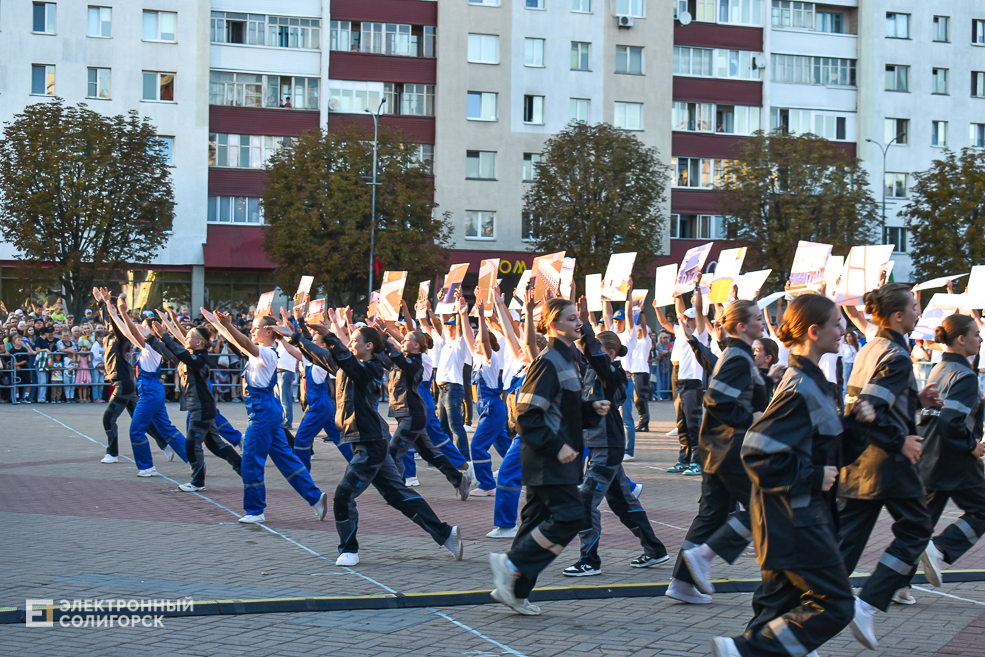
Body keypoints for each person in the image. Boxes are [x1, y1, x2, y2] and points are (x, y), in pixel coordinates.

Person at [712, 294, 858, 657]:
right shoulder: (799, 387)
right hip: (794, 520)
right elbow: (757, 452)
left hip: (791, 518)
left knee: (777, 613)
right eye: (836, 323)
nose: (843, 330)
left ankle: (746, 649)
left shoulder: (814, 382)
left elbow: (828, 450)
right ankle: (743, 651)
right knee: (836, 604)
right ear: (814, 331)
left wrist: (859, 424)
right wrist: (813, 476)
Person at [296, 317, 463, 567]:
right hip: (369, 441)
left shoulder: (371, 369)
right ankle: (446, 534)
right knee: (398, 494)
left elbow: (345, 360)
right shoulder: (346, 367)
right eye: (350, 341)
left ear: (369, 346)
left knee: (343, 496)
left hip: (371, 444)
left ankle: (349, 550)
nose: (350, 344)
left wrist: (330, 336)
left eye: (355, 340)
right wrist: (296, 336)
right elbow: (321, 354)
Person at [489, 298, 610, 616]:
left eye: (578, 317)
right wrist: (557, 447)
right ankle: (511, 564)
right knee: (571, 516)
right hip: (548, 460)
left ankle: (515, 592)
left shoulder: (569, 358)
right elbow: (527, 414)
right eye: (571, 319)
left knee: (534, 525)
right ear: (554, 325)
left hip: (558, 459)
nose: (578, 323)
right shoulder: (547, 361)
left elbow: (562, 411)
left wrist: (590, 410)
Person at [839, 283, 941, 650]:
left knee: (846, 546)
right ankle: (867, 604)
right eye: (914, 307)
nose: (918, 312)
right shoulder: (896, 355)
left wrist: (915, 398)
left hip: (859, 460)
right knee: (917, 530)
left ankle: (802, 615)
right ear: (898, 316)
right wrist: (900, 441)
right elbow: (870, 409)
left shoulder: (871, 347)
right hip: (888, 462)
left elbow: (870, 403)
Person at [670, 299, 770, 604]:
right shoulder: (739, 357)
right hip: (730, 447)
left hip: (717, 446)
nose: (762, 323)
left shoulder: (737, 353)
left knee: (712, 514)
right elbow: (716, 400)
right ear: (742, 326)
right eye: (757, 318)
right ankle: (705, 555)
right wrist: (751, 417)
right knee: (763, 506)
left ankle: (682, 583)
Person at [563, 299, 668, 577]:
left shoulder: (614, 374)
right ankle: (655, 550)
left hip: (608, 446)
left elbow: (592, 354)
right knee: (623, 503)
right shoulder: (592, 369)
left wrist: (585, 325)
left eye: (596, 350)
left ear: (609, 353)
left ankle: (589, 561)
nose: (588, 355)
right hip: (599, 446)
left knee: (585, 502)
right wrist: (570, 320)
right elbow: (571, 350)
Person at [204, 311, 327, 524]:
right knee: (285, 458)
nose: (252, 331)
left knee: (251, 460)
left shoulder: (268, 352)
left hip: (263, 412)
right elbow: (237, 340)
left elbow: (243, 341)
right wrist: (217, 323)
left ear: (268, 331)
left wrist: (228, 325)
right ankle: (315, 497)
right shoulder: (261, 350)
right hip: (266, 410)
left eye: (256, 328)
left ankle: (255, 510)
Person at [910, 314, 985, 601]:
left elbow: (929, 414)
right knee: (982, 510)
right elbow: (950, 421)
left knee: (918, 529)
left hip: (928, 455)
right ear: (961, 339)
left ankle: (894, 585)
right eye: (976, 334)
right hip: (955, 459)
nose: (980, 338)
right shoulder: (964, 376)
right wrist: (971, 445)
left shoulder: (939, 368)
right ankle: (940, 547)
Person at [374, 317, 471, 499]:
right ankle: (459, 480)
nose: (402, 341)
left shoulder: (418, 361)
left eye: (406, 340)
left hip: (413, 415)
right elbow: (385, 357)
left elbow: (397, 356)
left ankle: (397, 491)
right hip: (406, 414)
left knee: (393, 452)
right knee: (430, 453)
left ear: (416, 345)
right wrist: (378, 338)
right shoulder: (402, 360)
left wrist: (385, 338)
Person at [151, 315, 242, 492]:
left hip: (203, 409)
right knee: (215, 445)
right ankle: (245, 470)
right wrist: (150, 337)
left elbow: (179, 352)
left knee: (192, 444)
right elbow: (168, 351)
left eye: (188, 337)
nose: (185, 338)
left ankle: (198, 482)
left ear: (199, 342)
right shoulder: (188, 356)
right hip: (199, 408)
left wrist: (165, 336)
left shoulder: (200, 359)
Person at [104, 294, 189, 476]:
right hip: (152, 390)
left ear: (153, 330)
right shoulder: (152, 345)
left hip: (150, 391)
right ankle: (194, 460)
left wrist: (122, 313)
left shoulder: (151, 345)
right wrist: (114, 313)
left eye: (143, 326)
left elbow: (132, 333)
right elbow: (128, 332)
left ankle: (147, 467)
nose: (139, 328)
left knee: (136, 431)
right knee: (166, 428)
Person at [656, 293, 707, 475]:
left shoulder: (700, 334)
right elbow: (674, 315)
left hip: (693, 383)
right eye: (685, 318)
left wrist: (698, 290)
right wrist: (677, 295)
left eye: (690, 319)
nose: (686, 321)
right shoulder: (681, 332)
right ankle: (683, 460)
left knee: (693, 425)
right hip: (681, 383)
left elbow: (699, 310)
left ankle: (697, 462)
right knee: (682, 425)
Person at [468, 294, 511, 496]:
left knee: (477, 446)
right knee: (506, 447)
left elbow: (484, 339)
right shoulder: (477, 359)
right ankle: (526, 472)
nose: (475, 344)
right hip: (488, 409)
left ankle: (487, 485)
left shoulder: (490, 359)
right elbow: (469, 337)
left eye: (479, 342)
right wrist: (463, 314)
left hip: (492, 409)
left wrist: (481, 316)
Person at [654, 331, 673, 401]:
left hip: (669, 365)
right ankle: (662, 395)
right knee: (661, 381)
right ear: (661, 339)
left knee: (668, 381)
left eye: (666, 337)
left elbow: (673, 350)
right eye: (664, 338)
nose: (665, 339)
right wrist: (669, 352)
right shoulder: (659, 345)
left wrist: (668, 352)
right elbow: (661, 352)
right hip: (661, 365)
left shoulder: (670, 344)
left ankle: (666, 395)